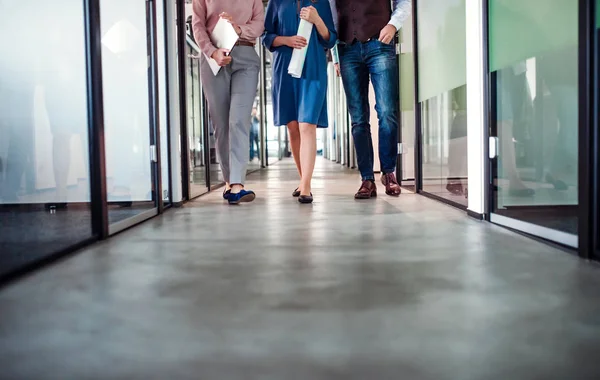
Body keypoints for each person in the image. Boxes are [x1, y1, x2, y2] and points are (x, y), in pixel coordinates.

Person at [329, 0, 411, 199]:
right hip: (346, 49)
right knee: (358, 119)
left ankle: (389, 172)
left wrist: (394, 24)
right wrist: (335, 56)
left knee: (386, 111)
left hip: (380, 45)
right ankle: (367, 178)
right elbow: (331, 16)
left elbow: (405, 2)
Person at [263, 0, 337, 204]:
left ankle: (306, 185)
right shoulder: (276, 2)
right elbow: (266, 36)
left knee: (307, 125)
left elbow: (330, 39)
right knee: (293, 127)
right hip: (285, 68)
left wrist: (317, 21)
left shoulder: (320, 2)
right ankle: (303, 179)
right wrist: (287, 40)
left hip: (313, 67)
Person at [192, 0, 265, 204]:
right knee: (222, 124)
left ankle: (237, 184)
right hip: (214, 58)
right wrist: (212, 52)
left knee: (238, 120)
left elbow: (259, 24)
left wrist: (238, 29)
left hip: (246, 56)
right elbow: (197, 25)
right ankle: (229, 181)